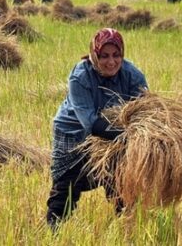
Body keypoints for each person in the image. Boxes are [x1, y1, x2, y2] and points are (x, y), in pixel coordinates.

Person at [46, 28, 148, 231]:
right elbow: (90, 123)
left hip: (114, 133)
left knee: (120, 178)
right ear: (94, 55)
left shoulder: (132, 75)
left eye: (116, 55)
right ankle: (53, 231)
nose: (111, 62)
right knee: (67, 184)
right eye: (104, 56)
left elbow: (146, 110)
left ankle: (124, 227)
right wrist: (127, 136)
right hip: (73, 132)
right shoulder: (80, 76)